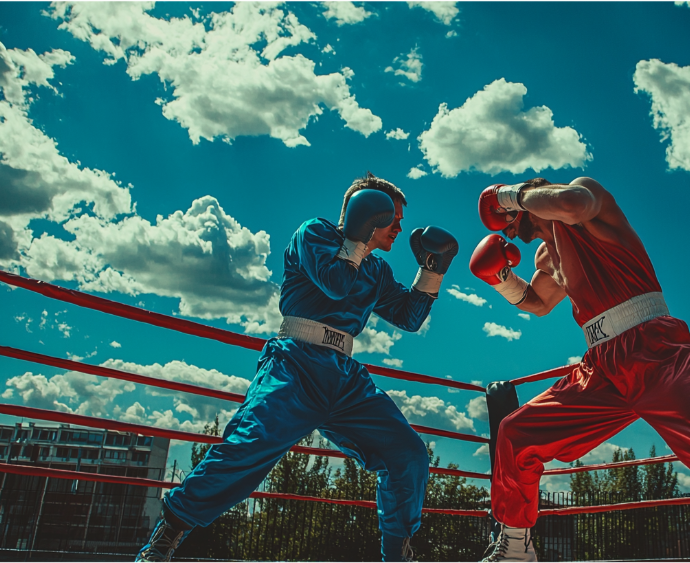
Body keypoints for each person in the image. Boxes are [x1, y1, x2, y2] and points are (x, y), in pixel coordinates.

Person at [469, 178, 690, 563]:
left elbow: (573, 205)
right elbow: (539, 303)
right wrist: (502, 279)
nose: (501, 225)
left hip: (652, 347)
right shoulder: (546, 255)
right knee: (517, 432)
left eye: (503, 214)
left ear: (524, 199)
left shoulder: (583, 199)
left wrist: (511, 193)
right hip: (601, 365)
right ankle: (515, 548)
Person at [135, 173, 459, 563]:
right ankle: (163, 540)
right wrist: (355, 239)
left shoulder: (376, 271)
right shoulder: (315, 234)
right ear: (369, 212)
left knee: (407, 454)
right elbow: (335, 282)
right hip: (295, 364)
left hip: (344, 377)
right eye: (393, 216)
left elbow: (409, 317)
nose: (400, 227)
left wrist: (432, 269)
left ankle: (397, 556)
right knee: (245, 449)